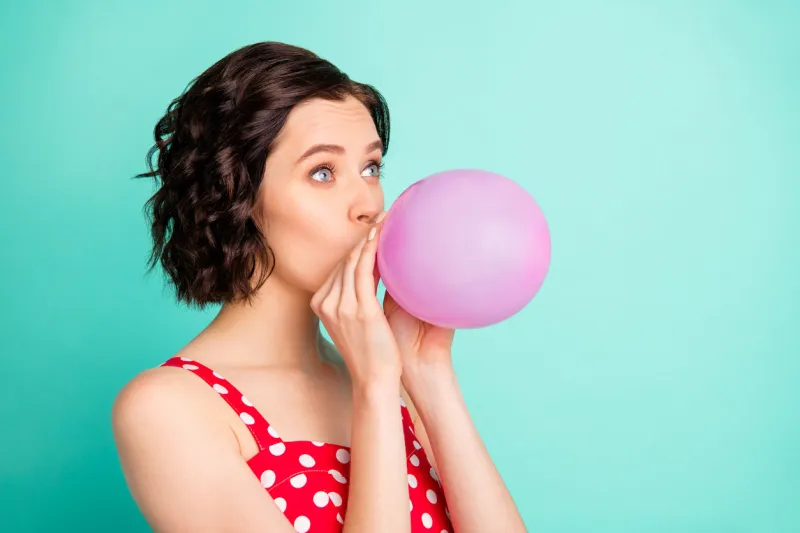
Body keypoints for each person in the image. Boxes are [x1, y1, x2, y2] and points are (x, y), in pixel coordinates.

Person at [112, 41, 528, 533]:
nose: (369, 206)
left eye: (371, 168)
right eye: (323, 172)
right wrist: (374, 391)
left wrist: (428, 369)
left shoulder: (389, 374)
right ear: (236, 199)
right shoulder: (168, 409)